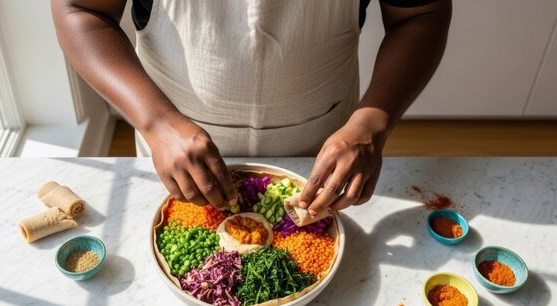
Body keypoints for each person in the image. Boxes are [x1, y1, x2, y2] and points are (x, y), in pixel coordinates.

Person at [51, 0, 451, 215]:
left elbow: (421, 13)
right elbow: (81, 9)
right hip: (175, 158)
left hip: (323, 160)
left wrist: (371, 121)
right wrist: (156, 122)